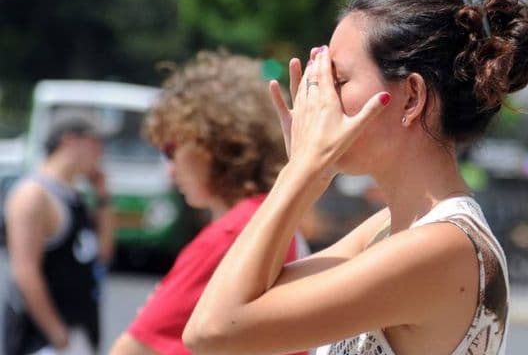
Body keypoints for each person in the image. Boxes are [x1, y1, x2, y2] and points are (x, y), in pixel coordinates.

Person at [183, 0, 528, 355]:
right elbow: (256, 298)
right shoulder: (388, 229)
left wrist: (301, 172)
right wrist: (309, 170)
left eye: (337, 80)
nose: (319, 96)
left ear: (411, 97)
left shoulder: (441, 247)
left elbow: (212, 332)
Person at [108, 50, 309, 355]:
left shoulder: (231, 235)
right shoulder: (276, 218)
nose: (170, 166)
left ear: (212, 144)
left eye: (171, 148)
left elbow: (132, 349)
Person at [3, 118, 115, 355]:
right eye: (95, 143)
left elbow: (102, 253)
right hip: (43, 338)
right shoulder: (33, 195)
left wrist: (103, 197)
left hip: (79, 328)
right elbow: (25, 271)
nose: (101, 152)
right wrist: (57, 334)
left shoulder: (75, 195)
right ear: (70, 141)